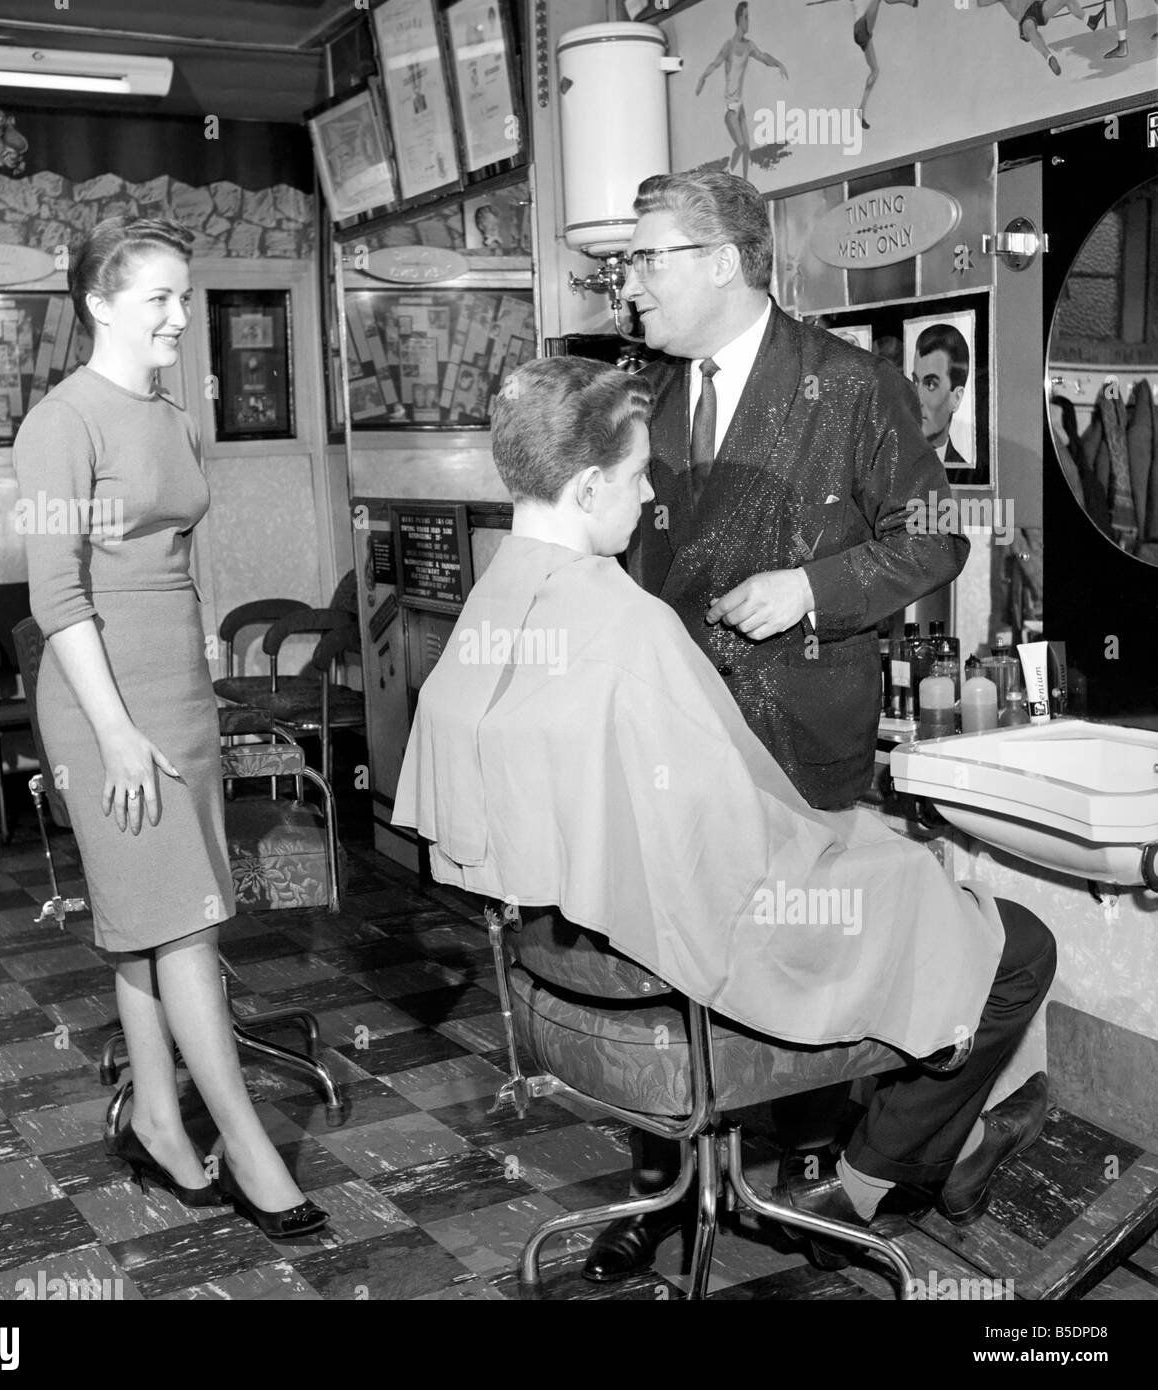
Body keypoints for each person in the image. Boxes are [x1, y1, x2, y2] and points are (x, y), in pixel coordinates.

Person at [392, 356, 1055, 1284]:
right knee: (1010, 945)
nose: (649, 495)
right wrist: (862, 852)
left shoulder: (489, 608)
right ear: (586, 486)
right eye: (632, 479)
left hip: (555, 971)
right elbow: (735, 870)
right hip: (682, 963)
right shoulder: (627, 629)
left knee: (884, 870)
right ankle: (861, 1187)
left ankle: (891, 1163)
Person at [611, 167, 975, 1275]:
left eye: (645, 258)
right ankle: (664, 1187)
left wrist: (809, 589)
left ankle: (812, 1178)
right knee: (667, 960)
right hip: (680, 749)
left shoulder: (851, 387)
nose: (628, 286)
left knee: (805, 969)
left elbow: (938, 536)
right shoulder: (643, 405)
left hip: (799, 739)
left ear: (721, 261)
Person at [13, 216, 327, 1242]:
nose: (182, 318)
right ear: (98, 302)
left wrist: (194, 681)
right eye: (158, 298)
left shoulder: (179, 420)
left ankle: (156, 1111)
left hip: (175, 693)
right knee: (186, 916)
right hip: (100, 699)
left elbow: (179, 567)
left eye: (185, 297)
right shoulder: (60, 424)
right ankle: (246, 1143)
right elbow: (57, 595)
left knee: (154, 911)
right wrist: (115, 733)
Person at [694, 3, 789, 177]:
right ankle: (730, 174)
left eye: (749, 18)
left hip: (740, 106)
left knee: (748, 148)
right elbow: (715, 63)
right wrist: (702, 78)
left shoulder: (749, 45)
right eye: (746, 18)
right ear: (739, 19)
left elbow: (763, 57)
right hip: (730, 107)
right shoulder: (729, 45)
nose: (748, 22)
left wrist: (778, 63)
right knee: (742, 146)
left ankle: (745, 184)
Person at [848, 0, 920, 129]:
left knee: (875, 71)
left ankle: (860, 111)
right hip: (861, 26)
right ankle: (909, 1)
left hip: (862, 34)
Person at [912, 322, 970, 466]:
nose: (916, 399)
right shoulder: (891, 466)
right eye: (915, 382)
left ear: (956, 398)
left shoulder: (963, 471)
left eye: (930, 384)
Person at [976, 0, 1089, 74]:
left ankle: (1089, 19)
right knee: (1030, 27)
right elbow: (981, 2)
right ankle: (1049, 57)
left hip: (1038, 7)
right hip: (1025, 17)